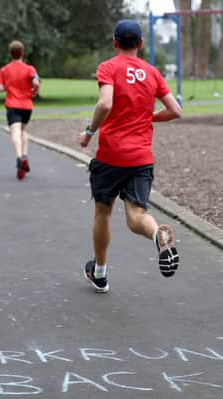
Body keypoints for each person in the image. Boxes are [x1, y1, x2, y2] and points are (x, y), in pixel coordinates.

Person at [78, 20, 182, 293]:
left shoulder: (108, 67)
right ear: (140, 44)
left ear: (115, 42)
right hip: (141, 156)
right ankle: (158, 235)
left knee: (103, 211)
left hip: (111, 154)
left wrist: (89, 132)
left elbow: (105, 103)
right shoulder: (152, 72)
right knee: (137, 214)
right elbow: (176, 110)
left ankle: (99, 273)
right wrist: (150, 116)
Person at [0, 40, 40, 180]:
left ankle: (19, 158)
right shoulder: (30, 69)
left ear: (11, 54)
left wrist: (7, 86)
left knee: (15, 132)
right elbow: (36, 82)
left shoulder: (4, 70)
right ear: (23, 53)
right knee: (23, 131)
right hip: (27, 106)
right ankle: (25, 155)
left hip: (12, 105)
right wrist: (34, 92)